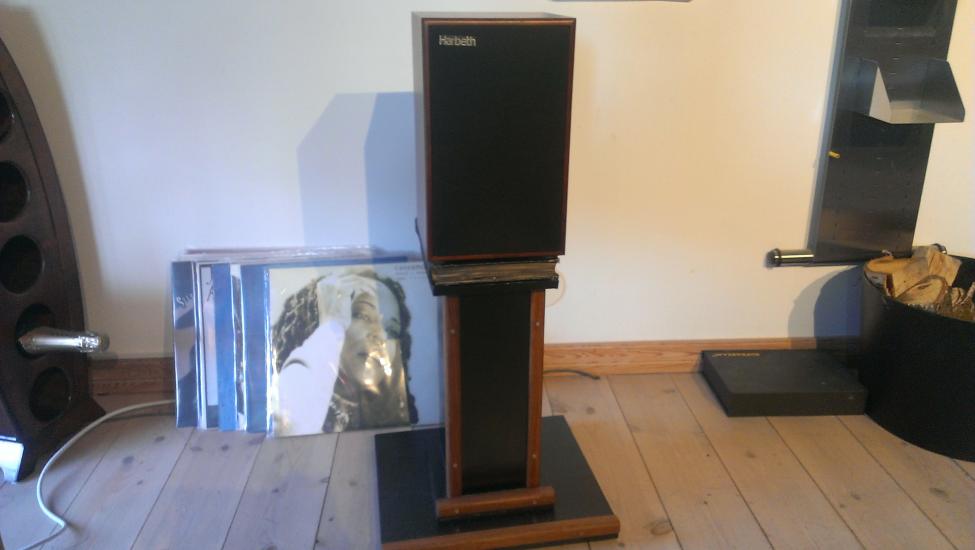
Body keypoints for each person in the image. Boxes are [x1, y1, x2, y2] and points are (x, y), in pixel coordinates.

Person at [270, 268, 417, 435]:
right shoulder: (288, 404)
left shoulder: (397, 424)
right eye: (362, 315)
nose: (381, 335)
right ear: (316, 320)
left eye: (391, 330)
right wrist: (330, 329)